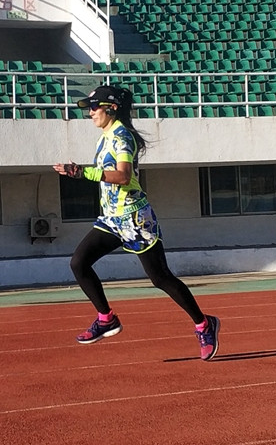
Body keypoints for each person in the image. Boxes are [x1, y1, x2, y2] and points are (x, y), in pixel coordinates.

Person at [53, 84, 220, 361]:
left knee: (160, 278)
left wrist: (82, 172)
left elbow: (122, 176)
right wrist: (80, 172)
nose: (90, 113)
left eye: (94, 107)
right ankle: (106, 318)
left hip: (134, 218)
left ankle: (204, 324)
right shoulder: (105, 137)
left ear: (112, 108)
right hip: (111, 219)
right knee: (78, 263)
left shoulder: (122, 138)